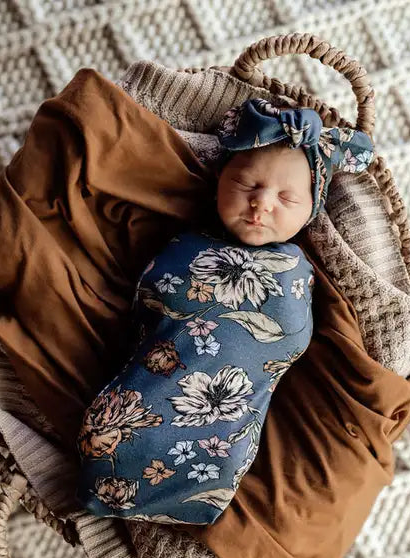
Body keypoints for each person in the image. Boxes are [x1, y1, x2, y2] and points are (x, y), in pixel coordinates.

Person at [75, 97, 376, 524]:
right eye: (246, 184)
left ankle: (184, 499)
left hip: (225, 435)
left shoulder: (300, 267)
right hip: (138, 407)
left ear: (313, 208)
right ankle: (106, 483)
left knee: (217, 460)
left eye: (287, 198)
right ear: (218, 181)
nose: (261, 203)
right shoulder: (185, 241)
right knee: (114, 434)